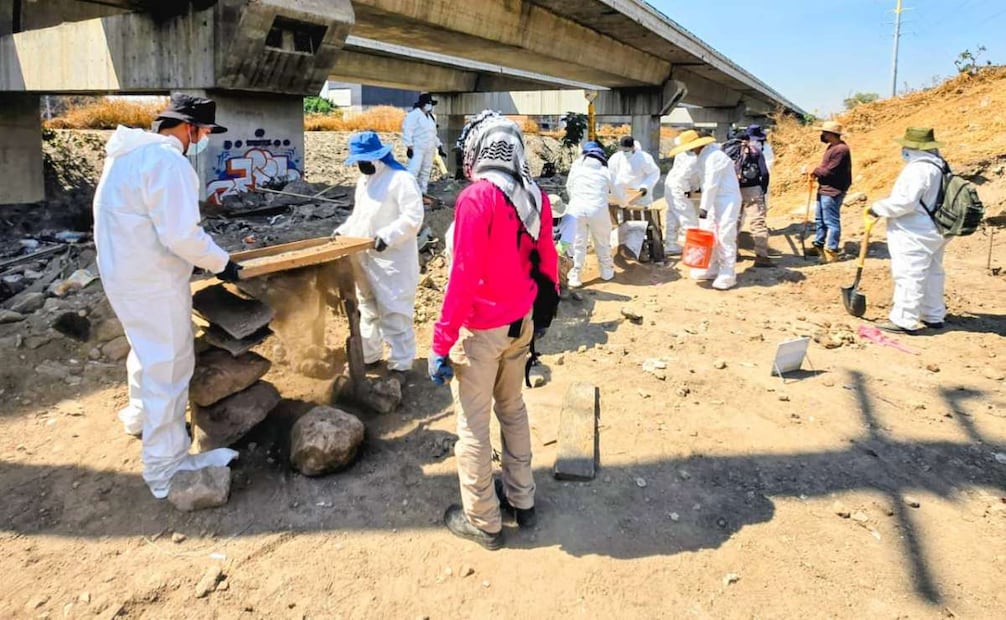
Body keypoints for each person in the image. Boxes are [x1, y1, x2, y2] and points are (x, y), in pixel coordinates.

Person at [92, 94, 242, 500]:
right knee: (171, 366)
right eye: (205, 132)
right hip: (152, 282)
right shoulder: (167, 161)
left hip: (125, 275)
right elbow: (180, 234)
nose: (205, 139)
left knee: (145, 351)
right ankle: (165, 466)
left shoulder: (125, 157)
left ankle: (141, 418)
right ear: (189, 128)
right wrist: (221, 262)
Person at [428, 110, 558, 550]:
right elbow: (549, 266)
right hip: (520, 324)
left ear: (478, 149)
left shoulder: (476, 198)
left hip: (482, 329)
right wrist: (539, 320)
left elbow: (462, 278)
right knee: (514, 409)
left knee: (472, 424)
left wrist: (441, 342)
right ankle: (523, 499)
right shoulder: (535, 196)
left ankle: (483, 520)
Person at [334, 131, 424, 380]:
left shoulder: (401, 179)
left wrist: (387, 236)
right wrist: (342, 232)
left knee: (395, 312)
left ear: (378, 157)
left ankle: (400, 365)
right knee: (368, 308)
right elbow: (360, 216)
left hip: (392, 260)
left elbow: (413, 217)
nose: (361, 165)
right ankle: (370, 356)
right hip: (363, 256)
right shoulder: (364, 181)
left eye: (364, 160)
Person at [867, 127, 949, 334]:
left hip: (914, 230)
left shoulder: (917, 169)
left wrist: (877, 208)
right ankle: (933, 315)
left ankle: (904, 319)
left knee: (909, 273)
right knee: (933, 273)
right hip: (937, 229)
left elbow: (904, 203)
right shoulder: (941, 165)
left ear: (912, 147)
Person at [668, 130, 742, 290]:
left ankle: (728, 273)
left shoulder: (715, 157)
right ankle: (711, 266)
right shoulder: (703, 156)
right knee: (709, 234)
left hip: (727, 200)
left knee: (725, 235)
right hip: (714, 200)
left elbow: (711, 184)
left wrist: (704, 208)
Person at [565, 141, 615, 287]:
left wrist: (576, 200)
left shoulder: (576, 168)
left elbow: (569, 187)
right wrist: (622, 202)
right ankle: (606, 272)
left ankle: (574, 276)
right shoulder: (605, 171)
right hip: (598, 210)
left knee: (577, 243)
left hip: (576, 209)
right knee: (602, 241)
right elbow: (617, 192)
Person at [806, 121, 853, 262]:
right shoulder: (832, 147)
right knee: (820, 220)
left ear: (832, 134)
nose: (822, 135)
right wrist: (815, 172)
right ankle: (818, 245)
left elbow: (828, 171)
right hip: (825, 188)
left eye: (824, 133)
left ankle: (832, 250)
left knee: (831, 221)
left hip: (833, 190)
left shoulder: (841, 150)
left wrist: (813, 170)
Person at [726, 130, 773, 267]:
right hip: (753, 189)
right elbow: (764, 173)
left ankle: (733, 254)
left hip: (733, 189)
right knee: (757, 221)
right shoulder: (755, 151)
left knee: (734, 220)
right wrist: (762, 189)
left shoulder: (727, 151)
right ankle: (761, 256)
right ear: (748, 139)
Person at [662, 131, 700, 256]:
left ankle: (671, 244)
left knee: (672, 214)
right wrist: (688, 191)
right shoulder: (693, 159)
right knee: (689, 219)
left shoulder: (682, 153)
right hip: (680, 188)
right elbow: (684, 178)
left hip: (671, 185)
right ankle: (695, 251)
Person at [402, 92, 443, 195]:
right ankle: (409, 193)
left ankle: (422, 192)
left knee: (426, 171)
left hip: (429, 149)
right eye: (429, 103)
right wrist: (409, 146)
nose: (430, 106)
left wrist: (439, 146)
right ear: (423, 104)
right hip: (417, 148)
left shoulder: (430, 117)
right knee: (413, 170)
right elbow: (407, 130)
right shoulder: (414, 115)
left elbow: (432, 134)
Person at [609, 135, 660, 207]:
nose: (625, 152)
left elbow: (654, 173)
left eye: (627, 150)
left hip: (639, 194)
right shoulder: (615, 158)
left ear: (633, 147)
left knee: (640, 216)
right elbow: (611, 174)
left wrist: (645, 186)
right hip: (621, 194)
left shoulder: (644, 158)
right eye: (623, 150)